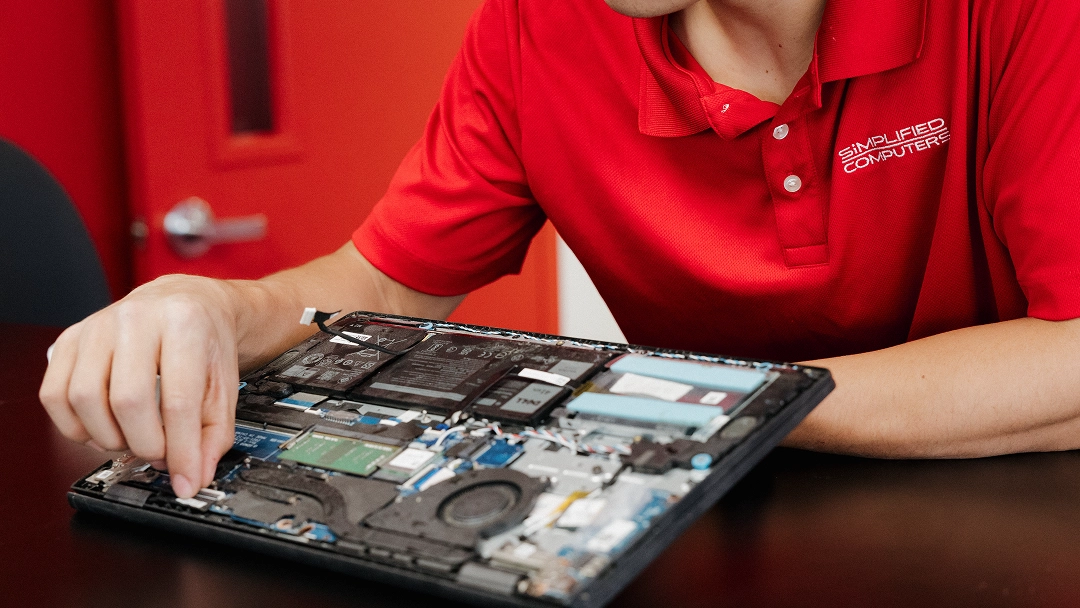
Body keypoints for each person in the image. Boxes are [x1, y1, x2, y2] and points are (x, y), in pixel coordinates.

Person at [39, 0, 1080, 499]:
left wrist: (696, 402)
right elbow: (378, 281)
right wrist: (213, 304)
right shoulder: (537, 27)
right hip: (710, 531)